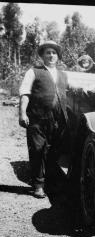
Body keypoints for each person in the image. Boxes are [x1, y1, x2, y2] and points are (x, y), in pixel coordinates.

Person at [19, 40, 69, 198]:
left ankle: (51, 183)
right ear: (42, 55)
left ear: (58, 56)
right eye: (48, 52)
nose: (51, 55)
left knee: (54, 152)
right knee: (37, 151)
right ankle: (38, 185)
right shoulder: (33, 71)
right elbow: (25, 93)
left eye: (54, 53)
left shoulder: (63, 75)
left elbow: (75, 89)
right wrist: (22, 113)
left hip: (58, 120)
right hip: (37, 118)